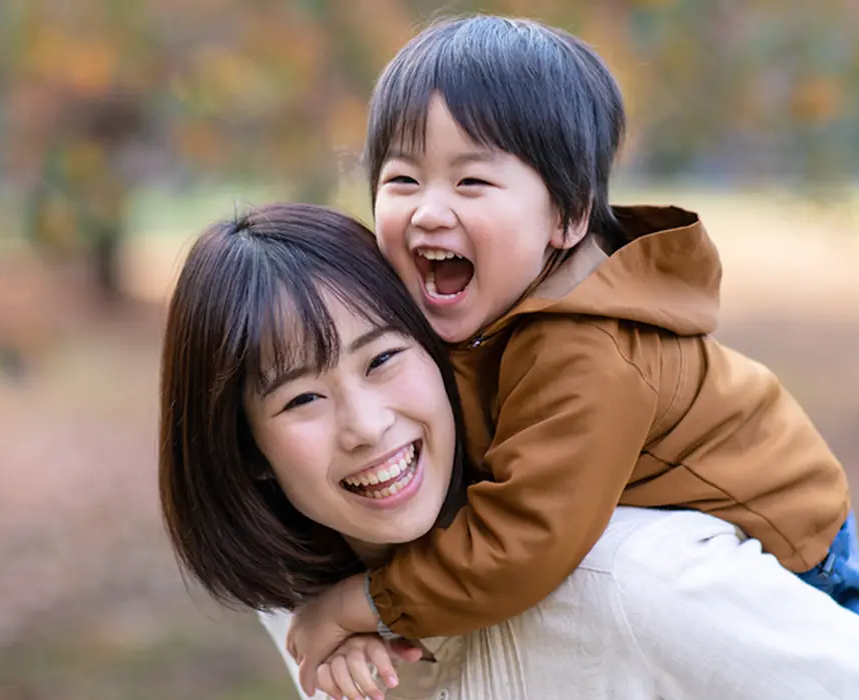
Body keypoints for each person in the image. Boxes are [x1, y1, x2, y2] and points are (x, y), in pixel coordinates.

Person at [285, 14, 859, 695]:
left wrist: (363, 603)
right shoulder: (488, 300)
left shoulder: (588, 351)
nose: (429, 211)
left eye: (471, 183)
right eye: (403, 180)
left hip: (798, 572)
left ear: (567, 216)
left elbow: (521, 545)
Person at [158, 202, 859, 700]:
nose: (366, 426)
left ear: (441, 354)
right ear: (246, 448)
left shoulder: (633, 582)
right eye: (301, 399)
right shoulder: (300, 599)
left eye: (383, 360)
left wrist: (365, 605)